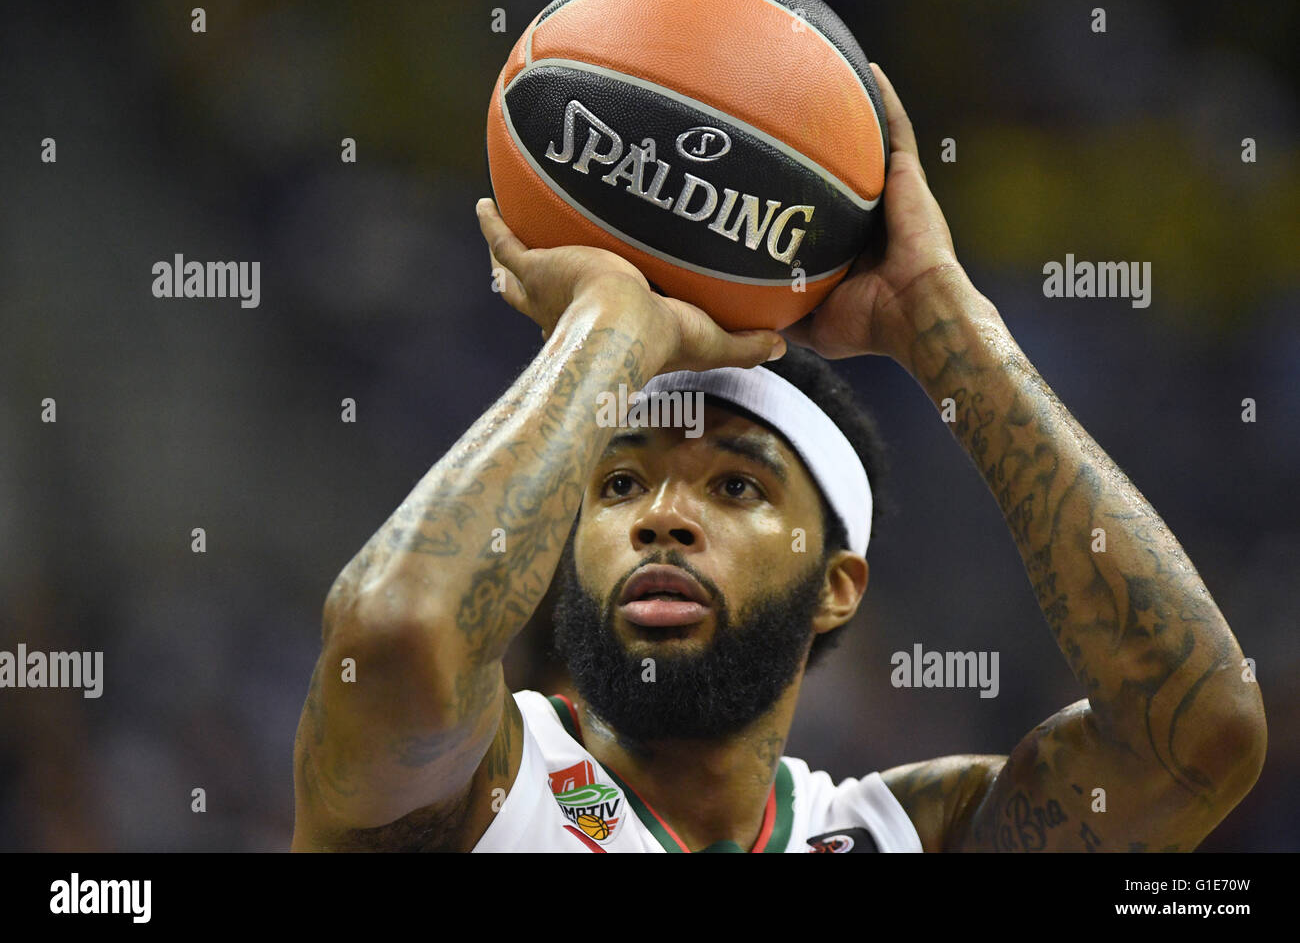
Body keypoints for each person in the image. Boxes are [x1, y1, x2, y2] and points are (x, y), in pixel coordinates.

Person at [291, 64, 1266, 852]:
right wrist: (611, 324)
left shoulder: (900, 837)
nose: (662, 516)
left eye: (737, 485)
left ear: (837, 586)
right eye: (619, 482)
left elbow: (1195, 735)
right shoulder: (476, 795)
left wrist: (936, 316)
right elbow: (393, 636)